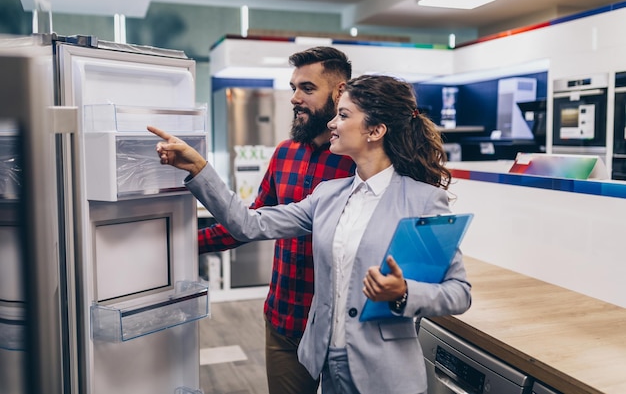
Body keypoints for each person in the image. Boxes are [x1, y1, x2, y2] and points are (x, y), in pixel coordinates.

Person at [148, 74, 472, 394]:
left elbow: (458, 292)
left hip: (384, 373)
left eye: (343, 116)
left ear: (375, 130)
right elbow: (250, 223)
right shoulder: (328, 195)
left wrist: (403, 292)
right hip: (328, 363)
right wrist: (199, 169)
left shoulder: (422, 200)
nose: (333, 123)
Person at [197, 46, 355, 394]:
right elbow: (250, 222)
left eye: (307, 89)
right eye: (294, 87)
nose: (295, 98)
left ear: (340, 91)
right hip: (284, 318)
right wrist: (188, 245)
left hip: (341, 330)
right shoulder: (285, 153)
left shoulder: (358, 162)